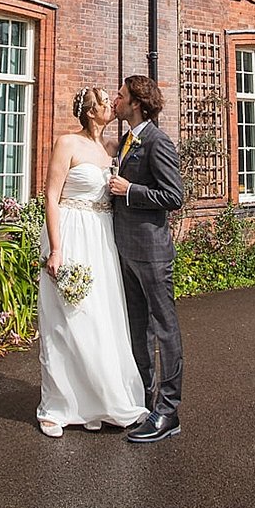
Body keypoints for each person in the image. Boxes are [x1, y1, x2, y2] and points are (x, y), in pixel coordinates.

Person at [35, 86, 150, 438]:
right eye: (104, 101)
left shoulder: (112, 148)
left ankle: (95, 402)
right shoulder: (66, 144)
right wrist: (56, 249)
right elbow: (51, 198)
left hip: (101, 238)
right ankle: (57, 406)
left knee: (100, 320)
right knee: (65, 320)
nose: (110, 105)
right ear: (89, 111)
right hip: (71, 233)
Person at [107, 74, 185, 443]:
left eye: (120, 96)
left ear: (137, 102)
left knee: (165, 329)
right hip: (126, 250)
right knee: (138, 329)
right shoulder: (126, 140)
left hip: (152, 253)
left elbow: (173, 196)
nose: (115, 100)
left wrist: (131, 190)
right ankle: (146, 400)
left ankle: (169, 412)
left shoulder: (158, 141)